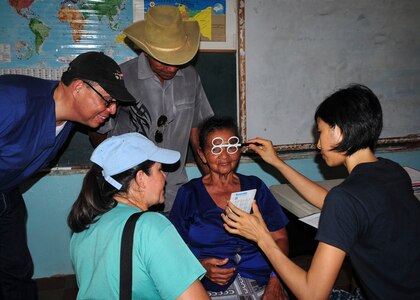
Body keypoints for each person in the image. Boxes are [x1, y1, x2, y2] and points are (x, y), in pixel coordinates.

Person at [222, 84, 420, 300]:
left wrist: (262, 237)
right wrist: (277, 163)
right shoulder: (392, 171)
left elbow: (313, 294)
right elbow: (334, 203)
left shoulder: (345, 199)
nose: (317, 144)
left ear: (338, 131)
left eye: (321, 132)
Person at [0, 51, 135, 300]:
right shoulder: (11, 100)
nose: (113, 110)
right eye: (108, 100)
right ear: (79, 88)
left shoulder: (67, 123)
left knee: (15, 270)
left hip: (6, 194)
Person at [89, 5, 214, 213]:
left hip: (174, 192)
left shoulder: (191, 77)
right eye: (163, 61)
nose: (172, 68)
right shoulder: (123, 78)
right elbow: (98, 132)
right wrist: (114, 179)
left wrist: (212, 179)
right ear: (145, 50)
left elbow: (197, 133)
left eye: (177, 60)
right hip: (130, 195)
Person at [68, 133, 209, 299]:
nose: (165, 176)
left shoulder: (85, 225)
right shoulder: (151, 226)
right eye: (160, 169)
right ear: (141, 178)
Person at [169, 117, 290, 300]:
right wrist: (200, 267)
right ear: (202, 155)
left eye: (231, 147)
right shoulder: (189, 194)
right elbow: (174, 248)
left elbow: (280, 237)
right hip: (209, 287)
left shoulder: (255, 186)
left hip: (263, 281)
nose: (224, 156)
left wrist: (276, 280)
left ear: (239, 149)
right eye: (216, 149)